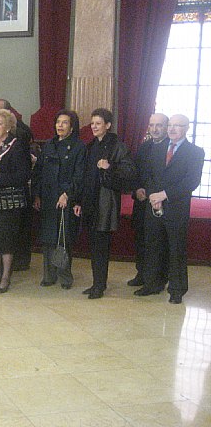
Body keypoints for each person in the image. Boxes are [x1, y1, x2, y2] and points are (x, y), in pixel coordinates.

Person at [134, 114, 204, 304]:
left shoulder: (195, 152)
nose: (172, 129)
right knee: (153, 245)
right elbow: (148, 174)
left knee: (176, 248)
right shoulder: (157, 149)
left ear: (186, 128)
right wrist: (152, 195)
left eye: (177, 126)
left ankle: (177, 289)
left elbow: (191, 182)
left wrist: (164, 195)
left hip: (176, 207)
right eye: (171, 125)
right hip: (154, 205)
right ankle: (152, 284)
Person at [74, 108, 136, 299]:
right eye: (92, 123)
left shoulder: (118, 146)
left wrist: (110, 167)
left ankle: (99, 286)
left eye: (98, 123)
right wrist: (79, 201)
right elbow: (85, 177)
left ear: (108, 126)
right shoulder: (90, 146)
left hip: (105, 203)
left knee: (101, 246)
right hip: (91, 202)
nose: (94, 127)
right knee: (94, 245)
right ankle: (97, 283)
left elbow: (129, 173)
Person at [32, 110, 86, 289]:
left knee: (64, 237)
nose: (60, 126)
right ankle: (49, 275)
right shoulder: (48, 145)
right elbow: (38, 171)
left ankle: (64, 276)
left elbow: (79, 175)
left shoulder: (79, 147)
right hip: (47, 197)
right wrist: (37, 194)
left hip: (65, 198)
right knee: (48, 238)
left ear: (72, 127)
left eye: (64, 123)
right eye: (58, 122)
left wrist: (67, 194)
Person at [0, 108, 31, 293]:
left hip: (8, 202)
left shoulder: (16, 146)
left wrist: (0, 178)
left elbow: (24, 174)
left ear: (9, 126)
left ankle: (5, 278)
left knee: (6, 240)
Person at [128, 113, 169, 287]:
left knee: (157, 242)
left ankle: (156, 280)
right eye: (152, 125)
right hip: (142, 202)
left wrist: (155, 194)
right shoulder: (144, 147)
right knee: (141, 239)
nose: (154, 129)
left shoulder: (171, 148)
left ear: (166, 127)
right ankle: (142, 273)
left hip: (160, 203)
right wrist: (137, 189)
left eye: (159, 125)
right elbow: (136, 173)